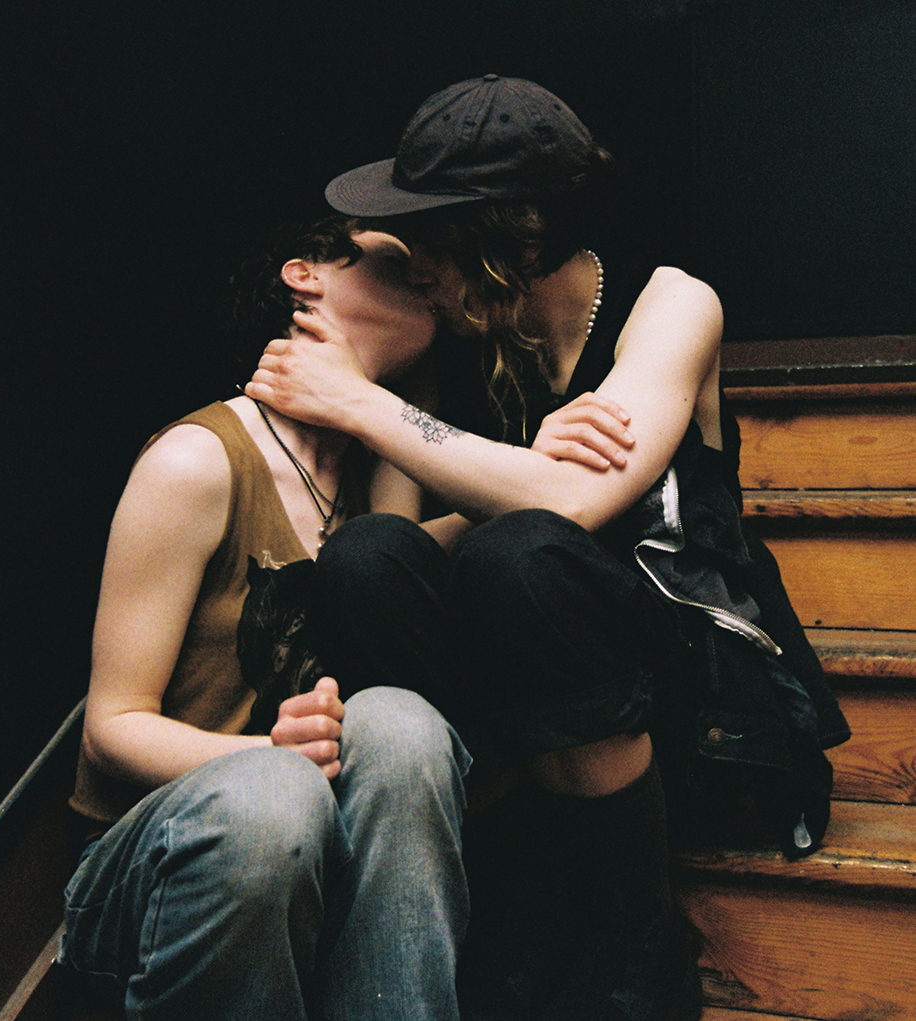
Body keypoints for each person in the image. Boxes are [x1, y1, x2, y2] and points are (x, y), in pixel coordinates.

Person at [245, 76, 849, 1021]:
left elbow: (570, 506)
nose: (416, 272)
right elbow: (411, 543)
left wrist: (362, 403)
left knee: (522, 552)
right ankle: (515, 883)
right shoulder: (472, 339)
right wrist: (514, 465)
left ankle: (633, 927)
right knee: (363, 558)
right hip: (530, 704)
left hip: (681, 704)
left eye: (429, 245)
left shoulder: (671, 304)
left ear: (507, 245)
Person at [59, 217, 632, 1020]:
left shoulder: (373, 468)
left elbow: (429, 551)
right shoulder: (195, 461)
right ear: (307, 277)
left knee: (401, 724)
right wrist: (269, 753)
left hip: (311, 848)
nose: (426, 278)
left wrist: (537, 462)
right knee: (275, 796)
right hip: (144, 869)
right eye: (397, 265)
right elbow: (109, 728)